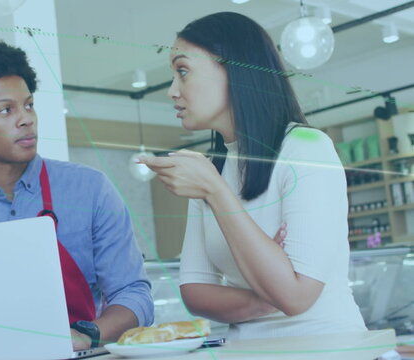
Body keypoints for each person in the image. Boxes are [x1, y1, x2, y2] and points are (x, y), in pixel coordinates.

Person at [0, 40, 153, 350]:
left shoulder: (90, 190)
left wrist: (85, 336)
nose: (26, 119)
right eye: (5, 110)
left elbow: (133, 293)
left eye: (28, 105)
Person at [139, 12, 366, 340]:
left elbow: (296, 297)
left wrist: (217, 193)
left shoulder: (306, 148)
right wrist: (268, 293)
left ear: (234, 70)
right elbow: (194, 291)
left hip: (323, 347)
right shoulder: (213, 169)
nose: (172, 91)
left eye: (183, 72)